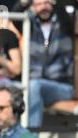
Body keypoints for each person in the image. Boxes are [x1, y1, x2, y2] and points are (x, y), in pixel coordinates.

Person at [13, 0, 75, 128]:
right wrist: (24, 3)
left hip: (62, 86)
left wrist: (56, 2)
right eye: (39, 4)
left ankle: (31, 136)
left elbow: (64, 14)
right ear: (33, 7)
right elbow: (15, 17)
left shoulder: (63, 24)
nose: (43, 7)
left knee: (34, 86)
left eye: (46, 3)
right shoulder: (29, 25)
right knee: (5, 86)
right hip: (34, 85)